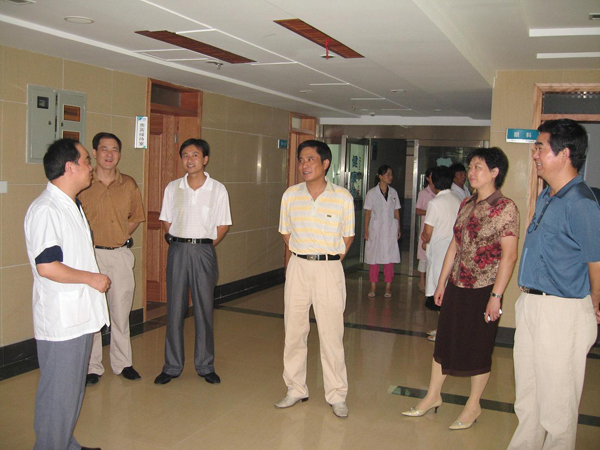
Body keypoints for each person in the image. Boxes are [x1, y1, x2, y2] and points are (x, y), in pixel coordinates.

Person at [403, 147, 519, 431]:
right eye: (471, 167)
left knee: (479, 346)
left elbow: (509, 256)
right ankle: (433, 395)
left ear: (495, 172)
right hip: (457, 283)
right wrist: (441, 282)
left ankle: (473, 405)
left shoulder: (505, 207)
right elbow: (455, 245)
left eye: (478, 167)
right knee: (444, 340)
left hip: (484, 288)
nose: (471, 172)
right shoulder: (466, 202)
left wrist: (496, 296)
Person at [508, 119, 600, 450]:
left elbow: (596, 262)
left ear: (564, 154)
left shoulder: (581, 202)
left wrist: (593, 304)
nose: (534, 154)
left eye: (540, 148)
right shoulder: (549, 195)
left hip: (562, 311)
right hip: (533, 304)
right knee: (528, 397)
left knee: (557, 405)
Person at [24, 138, 110, 450]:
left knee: (71, 391)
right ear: (70, 167)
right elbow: (47, 266)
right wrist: (92, 278)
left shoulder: (71, 204)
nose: (91, 166)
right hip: (62, 320)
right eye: (86, 160)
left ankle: (65, 443)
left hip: (78, 315)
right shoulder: (46, 209)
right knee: (58, 393)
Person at [276, 140, 354, 418]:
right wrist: (304, 253)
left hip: (329, 268)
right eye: (301, 160)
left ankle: (337, 394)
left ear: (325, 163)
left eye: (310, 159)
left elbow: (348, 237)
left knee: (331, 334)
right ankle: (295, 388)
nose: (304, 165)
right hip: (298, 265)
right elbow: (285, 232)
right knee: (294, 331)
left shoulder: (342, 197)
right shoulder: (290, 195)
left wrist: (326, 260)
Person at [154, 138, 231, 385]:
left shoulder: (218, 189)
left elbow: (223, 225)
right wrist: (181, 242)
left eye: (195, 155)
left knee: (204, 309)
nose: (190, 160)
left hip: (204, 251)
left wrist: (203, 245)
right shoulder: (172, 188)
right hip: (178, 249)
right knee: (174, 309)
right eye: (185, 155)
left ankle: (205, 365)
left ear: (205, 159)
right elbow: (166, 220)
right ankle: (172, 366)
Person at [79, 132, 145, 385]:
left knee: (120, 311)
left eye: (114, 149)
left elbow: (136, 217)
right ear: (95, 153)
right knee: (93, 313)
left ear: (119, 154)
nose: (109, 154)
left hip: (119, 255)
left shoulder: (128, 184)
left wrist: (119, 234)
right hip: (90, 257)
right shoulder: (83, 183)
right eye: (104, 149)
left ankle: (123, 363)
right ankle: (92, 366)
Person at [421, 166, 461, 339]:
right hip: (455, 251)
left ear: (434, 182)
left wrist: (424, 240)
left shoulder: (434, 203)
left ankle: (443, 332)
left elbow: (427, 232)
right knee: (448, 291)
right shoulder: (458, 200)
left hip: (439, 253)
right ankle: (443, 329)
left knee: (440, 292)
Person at [364, 165, 401, 298]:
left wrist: (398, 227)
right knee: (373, 258)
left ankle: (388, 285)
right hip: (376, 229)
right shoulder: (371, 193)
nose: (390, 177)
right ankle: (373, 285)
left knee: (389, 258)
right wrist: (366, 230)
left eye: (391, 174)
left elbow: (396, 211)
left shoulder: (393, 193)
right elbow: (368, 213)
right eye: (387, 174)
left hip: (390, 229)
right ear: (380, 176)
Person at [416, 168, 435, 292]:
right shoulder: (423, 193)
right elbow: (418, 210)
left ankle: (430, 281)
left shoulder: (440, 192)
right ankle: (422, 280)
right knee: (423, 256)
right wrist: (430, 212)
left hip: (436, 230)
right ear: (427, 178)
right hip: (426, 228)